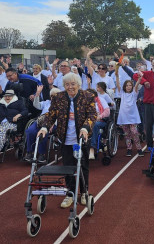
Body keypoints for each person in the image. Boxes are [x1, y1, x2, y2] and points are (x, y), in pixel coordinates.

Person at [37, 73, 97, 208]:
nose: (70, 87)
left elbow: (93, 115)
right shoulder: (58, 98)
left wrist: (86, 128)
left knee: (83, 166)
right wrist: (45, 128)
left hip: (82, 138)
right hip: (65, 138)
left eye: (73, 84)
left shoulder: (88, 96)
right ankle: (70, 194)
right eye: (67, 84)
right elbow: (51, 115)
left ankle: (84, 192)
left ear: (78, 85)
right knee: (67, 167)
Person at [0, 90, 28, 161]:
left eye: (9, 96)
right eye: (6, 96)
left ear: (13, 96)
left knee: (1, 131)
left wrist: (18, 115)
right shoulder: (0, 104)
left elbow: (25, 111)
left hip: (12, 124)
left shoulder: (18, 103)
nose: (7, 97)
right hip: (0, 124)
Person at [24, 86, 61, 163]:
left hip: (52, 123)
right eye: (52, 95)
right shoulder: (46, 102)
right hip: (41, 120)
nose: (53, 97)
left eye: (55, 95)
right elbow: (36, 105)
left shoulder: (61, 105)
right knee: (30, 131)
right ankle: (29, 152)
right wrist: (38, 93)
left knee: (43, 133)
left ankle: (42, 154)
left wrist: (53, 124)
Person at [116, 68, 144, 157]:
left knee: (134, 132)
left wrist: (139, 79)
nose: (128, 87)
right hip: (124, 117)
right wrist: (116, 76)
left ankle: (139, 148)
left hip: (133, 117)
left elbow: (137, 84)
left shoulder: (134, 93)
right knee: (127, 134)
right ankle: (129, 149)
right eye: (127, 85)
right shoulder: (122, 93)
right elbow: (118, 84)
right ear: (124, 86)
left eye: (130, 85)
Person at [88, 89, 110, 160]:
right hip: (88, 121)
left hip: (100, 121)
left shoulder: (101, 100)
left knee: (95, 125)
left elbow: (107, 111)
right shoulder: (85, 102)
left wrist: (100, 116)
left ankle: (92, 148)